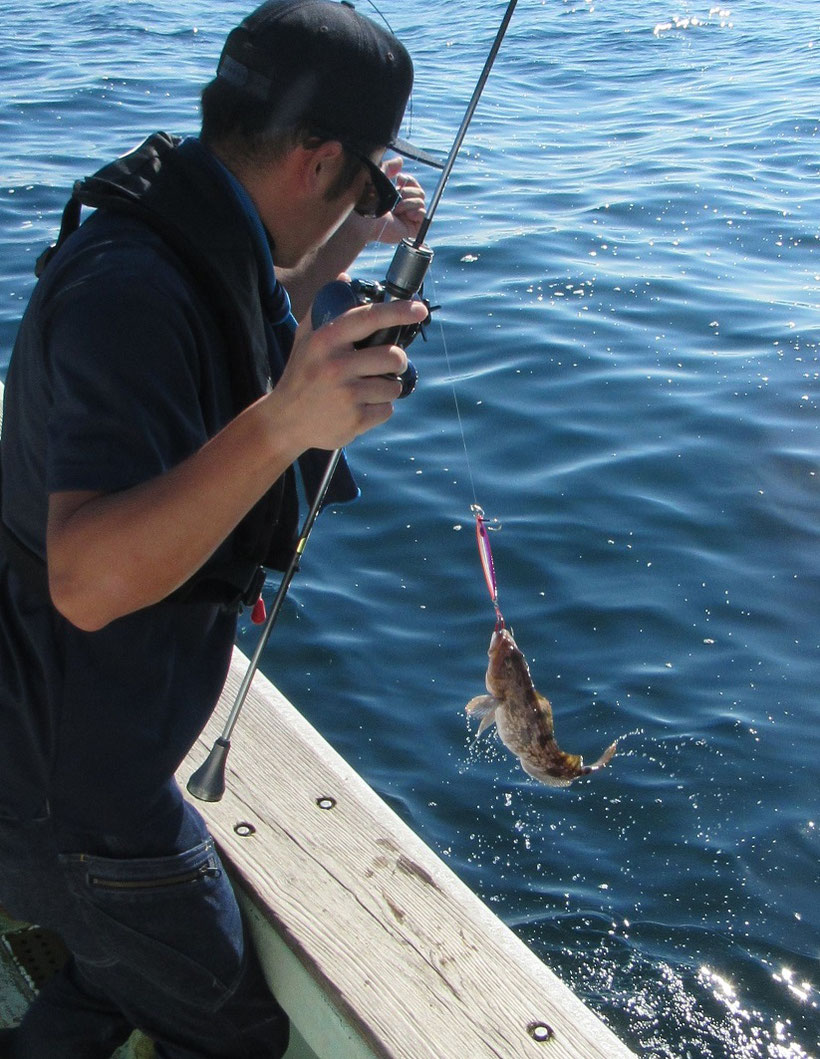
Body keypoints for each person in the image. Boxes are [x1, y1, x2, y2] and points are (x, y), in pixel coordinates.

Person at [0, 2, 439, 1056]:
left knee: (123, 970)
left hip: (70, 744)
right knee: (231, 1031)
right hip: (71, 787)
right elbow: (89, 581)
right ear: (317, 158)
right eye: (368, 171)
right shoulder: (127, 294)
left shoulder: (187, 221)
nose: (377, 191)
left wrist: (350, 240)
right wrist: (288, 420)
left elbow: (255, 289)